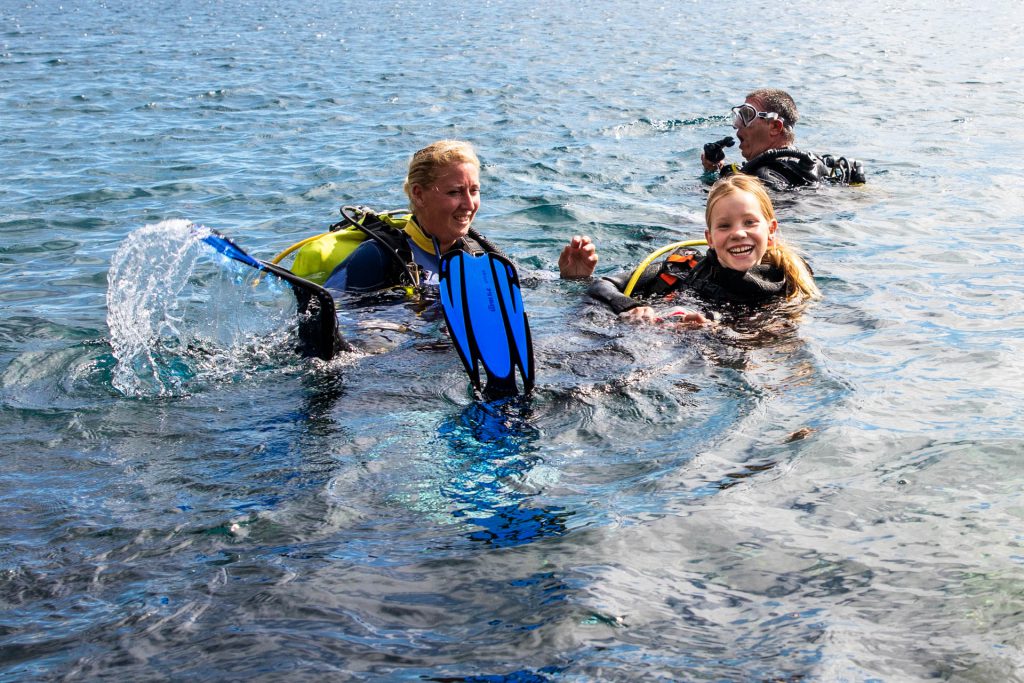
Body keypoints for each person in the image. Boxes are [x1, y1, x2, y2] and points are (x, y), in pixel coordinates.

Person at [317, 140, 597, 292]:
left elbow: (530, 284)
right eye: (454, 192)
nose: (468, 204)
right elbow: (329, 319)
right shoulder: (378, 257)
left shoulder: (479, 253)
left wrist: (572, 280)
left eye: (474, 191)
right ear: (418, 194)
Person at [588, 174, 819, 324]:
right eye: (724, 225)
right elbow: (601, 285)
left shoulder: (788, 288)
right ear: (709, 238)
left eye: (749, 222)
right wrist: (633, 308)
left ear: (771, 231)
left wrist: (714, 330)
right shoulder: (681, 269)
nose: (738, 233)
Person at [700, 88, 864, 191]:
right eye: (738, 117)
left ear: (775, 127)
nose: (737, 126)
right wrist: (713, 169)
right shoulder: (812, 163)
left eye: (747, 116)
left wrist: (710, 182)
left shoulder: (760, 176)